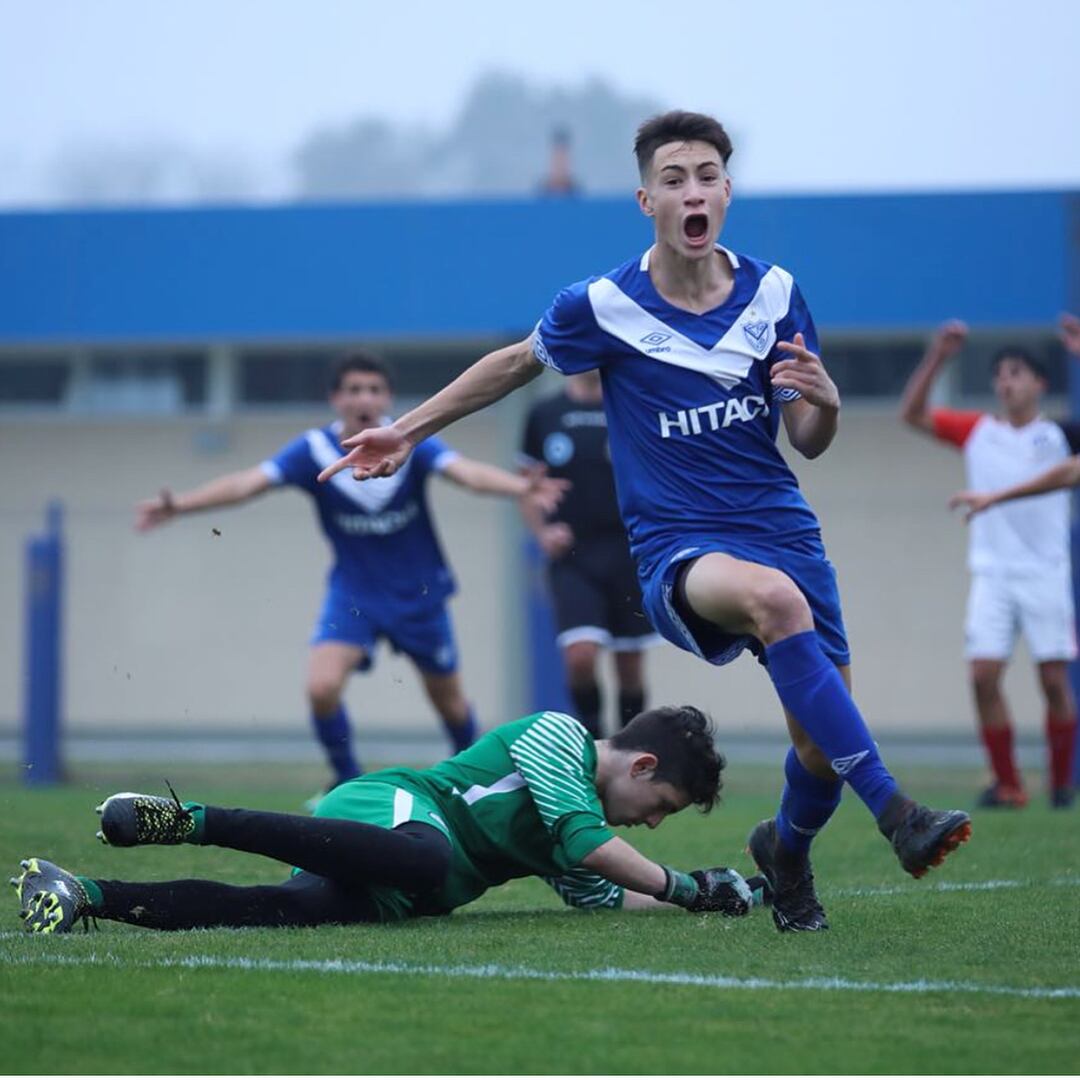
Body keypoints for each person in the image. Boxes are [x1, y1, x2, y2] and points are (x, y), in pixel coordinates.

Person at [313, 110, 972, 933]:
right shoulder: (602, 304)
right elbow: (514, 365)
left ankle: (787, 851)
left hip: (784, 532)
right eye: (673, 179)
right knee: (777, 604)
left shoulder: (775, 295)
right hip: (679, 550)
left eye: (706, 176)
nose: (692, 191)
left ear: (726, 192)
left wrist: (827, 405)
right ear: (645, 200)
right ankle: (899, 814)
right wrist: (405, 431)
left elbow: (806, 437)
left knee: (817, 747)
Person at [135, 351, 566, 790]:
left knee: (451, 706)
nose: (365, 398)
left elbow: (465, 472)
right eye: (354, 389)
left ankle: (471, 785)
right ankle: (344, 781)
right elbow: (247, 484)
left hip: (419, 593)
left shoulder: (409, 441)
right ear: (336, 398)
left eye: (374, 389)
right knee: (321, 687)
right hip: (355, 593)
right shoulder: (313, 451)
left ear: (387, 398)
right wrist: (180, 506)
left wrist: (520, 487)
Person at [12, 705, 773, 933]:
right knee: (426, 861)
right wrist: (686, 885)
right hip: (398, 812)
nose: (653, 826)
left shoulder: (586, 835)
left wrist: (733, 889)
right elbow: (591, 845)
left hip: (409, 877)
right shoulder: (559, 738)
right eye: (662, 808)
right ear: (642, 767)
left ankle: (84, 894)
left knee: (292, 910)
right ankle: (189, 818)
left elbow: (611, 890)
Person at [900, 314, 1080, 810]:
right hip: (993, 575)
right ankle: (1009, 785)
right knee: (982, 677)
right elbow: (912, 414)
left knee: (1052, 681)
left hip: (1046, 572)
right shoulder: (978, 430)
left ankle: (1062, 785)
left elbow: (1070, 473)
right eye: (1000, 373)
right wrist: (938, 356)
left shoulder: (1061, 434)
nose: (1005, 381)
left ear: (1040, 383)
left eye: (1017, 372)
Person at [519, 369, 661, 737]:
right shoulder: (545, 412)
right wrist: (542, 531)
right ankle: (594, 742)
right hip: (573, 557)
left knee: (629, 666)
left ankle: (630, 749)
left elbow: (659, 473)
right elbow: (528, 485)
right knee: (580, 656)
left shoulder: (631, 408)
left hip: (628, 553)